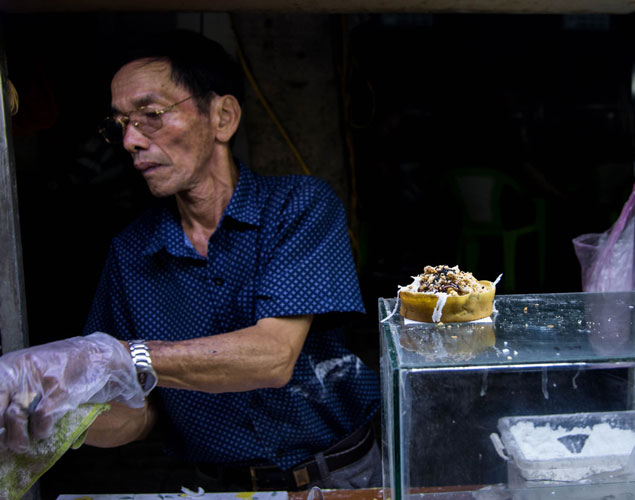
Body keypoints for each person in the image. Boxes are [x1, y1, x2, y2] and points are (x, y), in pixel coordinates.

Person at [0, 29, 381, 492]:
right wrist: (52, 418)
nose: (130, 142)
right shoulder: (130, 253)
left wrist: (122, 356)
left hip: (343, 477)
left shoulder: (299, 205)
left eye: (151, 114)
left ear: (222, 116)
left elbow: (274, 356)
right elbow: (136, 416)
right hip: (220, 487)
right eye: (120, 124)